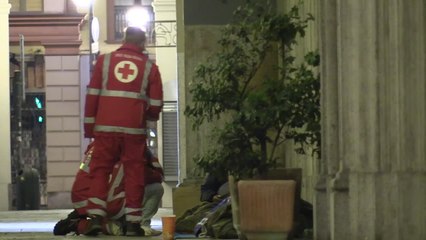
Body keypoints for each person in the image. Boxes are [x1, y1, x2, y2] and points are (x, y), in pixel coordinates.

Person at [83, 26, 163, 236]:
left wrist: (89, 127)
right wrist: (147, 117)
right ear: (143, 43)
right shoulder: (149, 68)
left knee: (100, 170)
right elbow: (155, 103)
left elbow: (92, 95)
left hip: (105, 127)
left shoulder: (104, 61)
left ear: (125, 39)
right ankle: (133, 224)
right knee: (134, 173)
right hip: (133, 130)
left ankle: (95, 219)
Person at [53, 141, 164, 236]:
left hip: (84, 201)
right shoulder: (129, 149)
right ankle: (141, 226)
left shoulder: (94, 148)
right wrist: (148, 156)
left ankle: (81, 223)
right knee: (156, 188)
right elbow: (156, 175)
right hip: (109, 204)